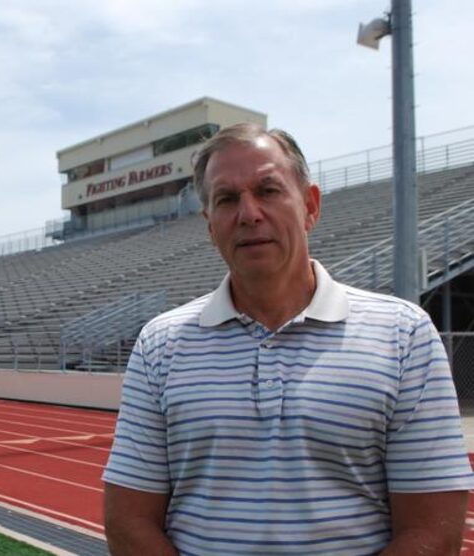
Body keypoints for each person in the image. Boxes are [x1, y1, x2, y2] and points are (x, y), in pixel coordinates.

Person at [102, 122, 474, 555]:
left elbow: (435, 530)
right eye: (226, 199)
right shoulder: (159, 345)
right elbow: (128, 520)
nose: (248, 213)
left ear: (310, 206)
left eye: (269, 190)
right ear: (210, 224)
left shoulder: (404, 335)